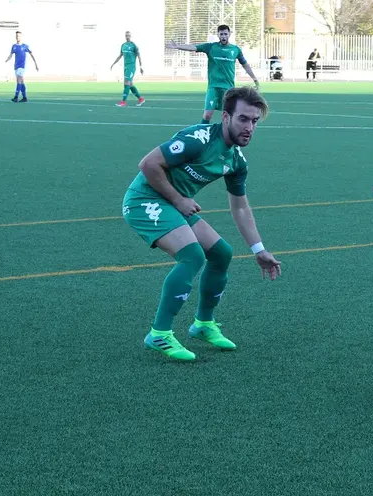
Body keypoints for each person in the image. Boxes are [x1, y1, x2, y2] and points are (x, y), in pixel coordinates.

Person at [121, 86, 281, 361]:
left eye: (255, 121)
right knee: (192, 256)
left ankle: (203, 324)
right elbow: (147, 164)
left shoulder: (236, 161)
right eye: (243, 119)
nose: (249, 128)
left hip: (174, 204)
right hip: (144, 200)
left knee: (221, 253)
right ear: (226, 117)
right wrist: (178, 199)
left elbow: (240, 207)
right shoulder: (198, 139)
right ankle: (159, 333)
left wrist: (259, 249)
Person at [166, 25, 260, 124]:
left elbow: (245, 64)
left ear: (229, 34)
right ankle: (202, 132)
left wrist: (254, 78)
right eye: (221, 34)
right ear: (218, 35)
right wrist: (178, 46)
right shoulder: (211, 47)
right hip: (213, 87)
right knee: (207, 115)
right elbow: (194, 47)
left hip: (228, 89)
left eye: (225, 34)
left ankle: (226, 133)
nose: (223, 36)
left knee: (228, 116)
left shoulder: (235, 50)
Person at [112, 31, 146, 107]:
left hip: (131, 67)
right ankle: (140, 98)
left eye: (129, 35)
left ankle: (123, 102)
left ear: (130, 36)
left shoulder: (134, 45)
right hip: (126, 67)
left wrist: (141, 67)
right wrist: (113, 64)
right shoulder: (123, 45)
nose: (127, 36)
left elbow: (139, 56)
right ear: (125, 36)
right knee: (130, 84)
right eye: (126, 35)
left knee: (126, 83)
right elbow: (120, 55)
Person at [5, 30, 39, 103]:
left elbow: (31, 54)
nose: (18, 37)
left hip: (22, 66)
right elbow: (11, 55)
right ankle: (24, 97)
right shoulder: (14, 46)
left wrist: (36, 64)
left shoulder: (25, 46)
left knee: (19, 80)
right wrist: (7, 59)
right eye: (17, 36)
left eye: (19, 36)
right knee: (22, 82)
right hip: (16, 66)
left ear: (21, 37)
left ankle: (16, 97)